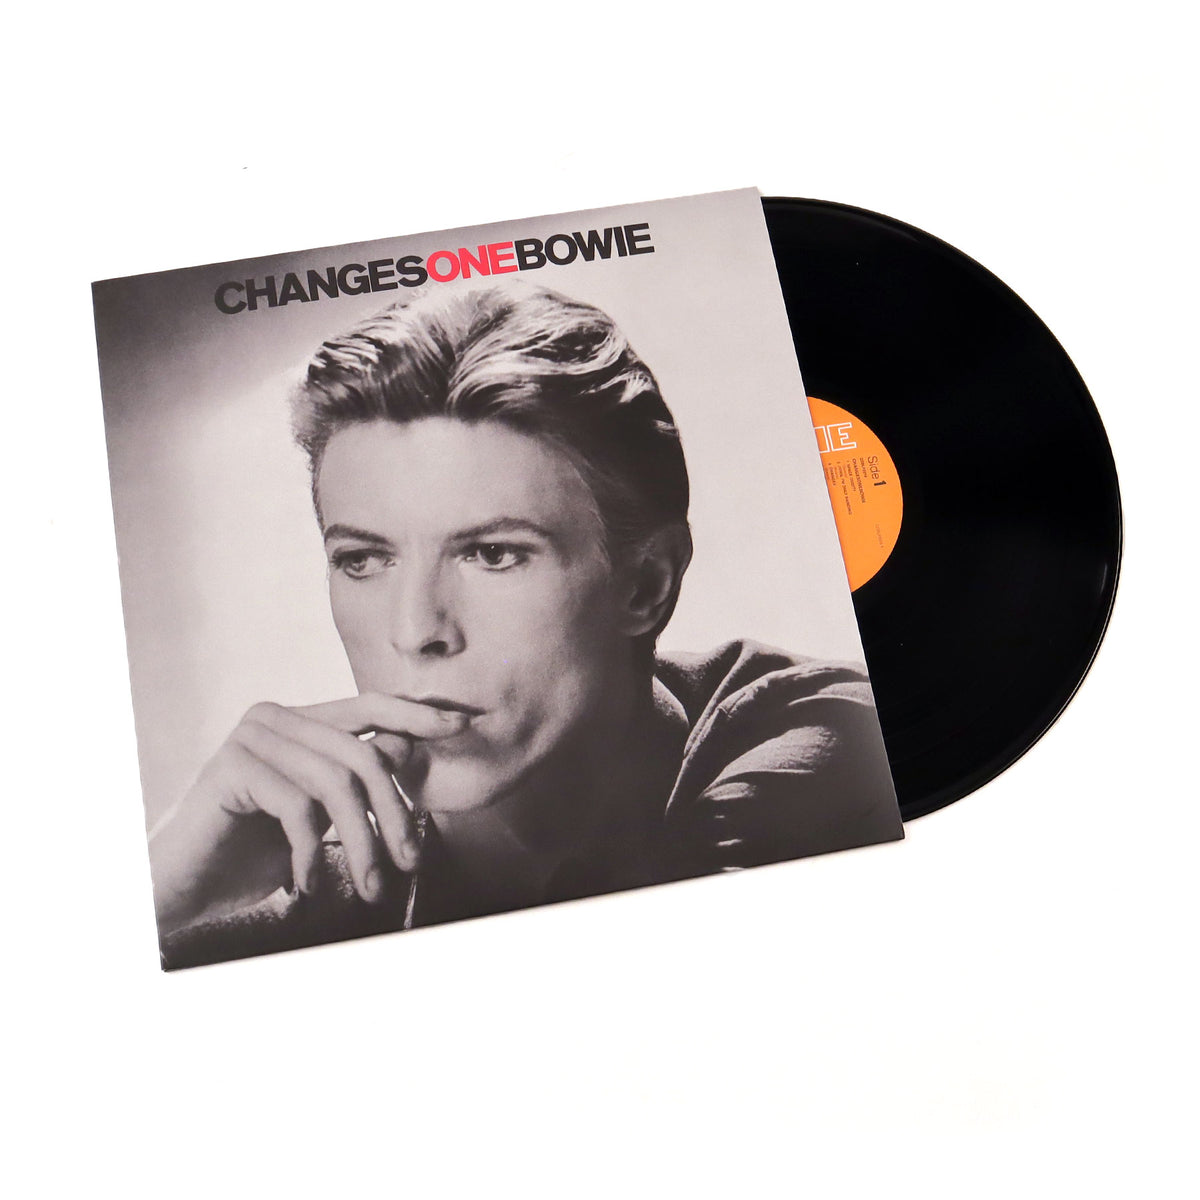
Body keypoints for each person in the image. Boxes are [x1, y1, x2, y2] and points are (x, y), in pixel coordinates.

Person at [152, 284, 901, 967]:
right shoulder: (312, 880)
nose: (416, 630)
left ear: (646, 585)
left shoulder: (825, 738)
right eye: (363, 560)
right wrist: (165, 893)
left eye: (493, 554)